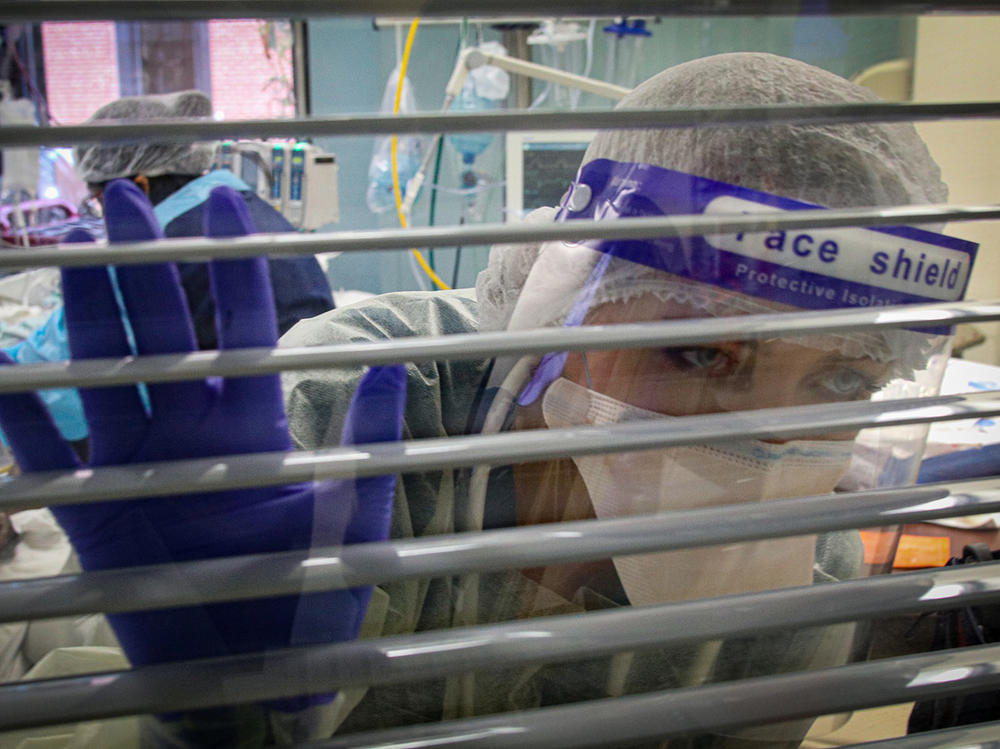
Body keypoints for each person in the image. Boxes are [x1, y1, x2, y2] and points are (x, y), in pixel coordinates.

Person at [0, 53, 979, 748]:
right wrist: (212, 719)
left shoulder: (810, 557)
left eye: (843, 379)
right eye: (695, 352)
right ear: (567, 292)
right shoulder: (367, 408)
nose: (757, 448)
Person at [1, 90, 335, 448]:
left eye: (99, 201)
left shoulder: (152, 255)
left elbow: (52, 383)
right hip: (316, 424)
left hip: (237, 450)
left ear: (139, 186)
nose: (103, 215)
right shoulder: (246, 209)